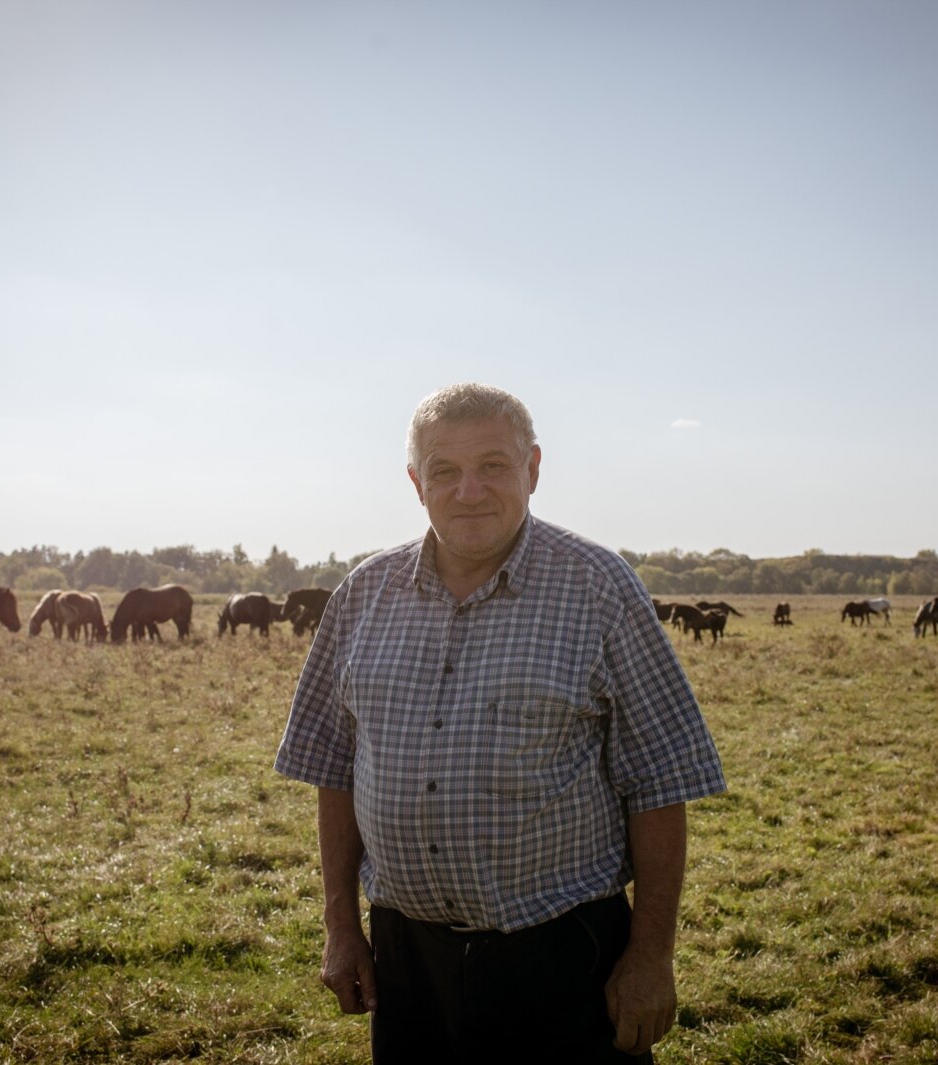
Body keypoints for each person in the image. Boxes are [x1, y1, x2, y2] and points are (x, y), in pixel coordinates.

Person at [274, 383, 726, 1063]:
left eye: (492, 465)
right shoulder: (363, 595)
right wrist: (341, 922)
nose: (469, 491)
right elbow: (334, 767)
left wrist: (651, 955)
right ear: (414, 482)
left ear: (532, 469)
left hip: (563, 956)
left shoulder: (600, 588)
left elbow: (660, 779)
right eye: (444, 471)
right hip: (406, 956)